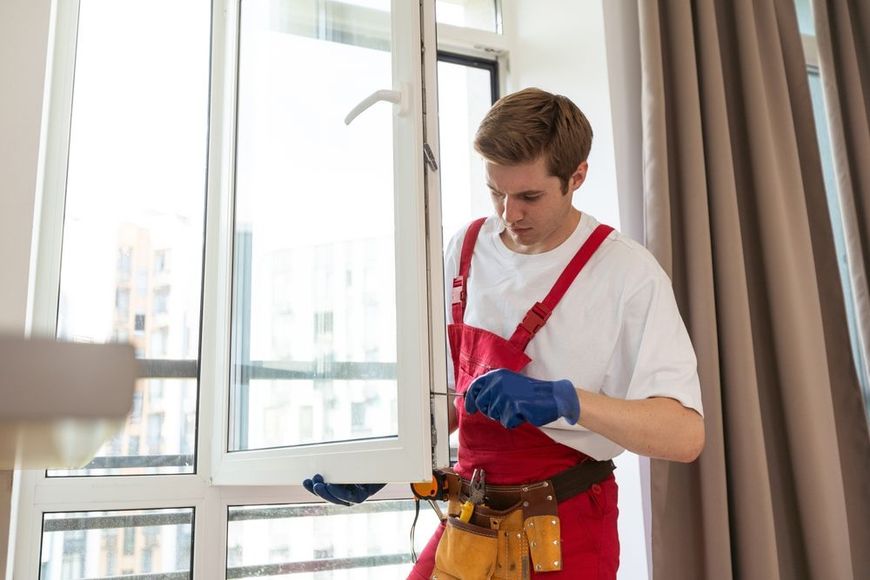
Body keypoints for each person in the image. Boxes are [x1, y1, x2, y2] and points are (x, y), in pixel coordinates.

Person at [304, 87, 705, 579]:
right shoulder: (466, 250)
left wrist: (568, 400)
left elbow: (685, 435)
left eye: (529, 196)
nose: (509, 214)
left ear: (577, 176)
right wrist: (391, 458)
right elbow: (452, 398)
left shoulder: (627, 274)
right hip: (471, 520)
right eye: (497, 191)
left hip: (564, 527)